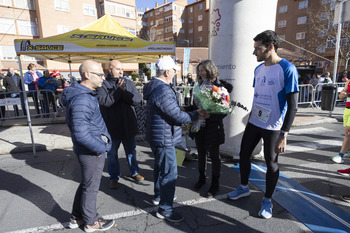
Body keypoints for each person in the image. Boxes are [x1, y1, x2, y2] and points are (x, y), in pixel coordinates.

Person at [227, 30, 299, 219]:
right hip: (255, 121)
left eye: (257, 49)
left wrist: (284, 134)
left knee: (271, 163)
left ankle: (267, 200)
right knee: (243, 154)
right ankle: (243, 187)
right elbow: (258, 96)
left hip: (274, 126)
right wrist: (251, 117)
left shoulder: (288, 69)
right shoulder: (258, 70)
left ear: (271, 47)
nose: (254, 53)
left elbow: (293, 106)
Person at [143, 56, 203, 223]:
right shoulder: (162, 90)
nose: (176, 72)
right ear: (168, 72)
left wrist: (186, 110)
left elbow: (171, 110)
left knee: (160, 168)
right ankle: (165, 208)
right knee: (169, 173)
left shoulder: (155, 87)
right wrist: (196, 113)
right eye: (175, 70)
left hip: (159, 136)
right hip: (164, 138)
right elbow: (177, 116)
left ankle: (159, 195)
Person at [61, 60, 115, 232]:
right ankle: (91, 222)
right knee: (91, 187)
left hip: (89, 149)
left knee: (86, 183)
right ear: (86, 75)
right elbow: (81, 134)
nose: (103, 78)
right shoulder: (83, 99)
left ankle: (76, 217)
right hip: (91, 151)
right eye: (99, 74)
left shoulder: (85, 94)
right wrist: (102, 148)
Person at [183, 60, 231, 198]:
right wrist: (185, 109)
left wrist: (210, 115)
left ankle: (215, 185)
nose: (201, 73)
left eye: (203, 70)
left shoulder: (219, 87)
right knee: (201, 154)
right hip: (199, 126)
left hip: (213, 127)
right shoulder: (198, 86)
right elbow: (195, 106)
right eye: (199, 70)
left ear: (210, 70)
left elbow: (225, 110)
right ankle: (202, 178)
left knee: (215, 157)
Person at [96, 60, 144, 189]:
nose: (121, 71)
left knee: (131, 152)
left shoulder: (128, 82)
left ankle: (134, 172)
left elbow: (137, 99)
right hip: (112, 127)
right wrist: (118, 92)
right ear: (110, 69)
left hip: (129, 125)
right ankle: (114, 177)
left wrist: (123, 93)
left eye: (122, 69)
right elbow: (104, 102)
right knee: (112, 155)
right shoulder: (103, 84)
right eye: (118, 69)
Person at [330, 79, 350, 164]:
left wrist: (347, 94)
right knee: (347, 134)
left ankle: (340, 155)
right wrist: (342, 94)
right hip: (347, 109)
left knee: (348, 132)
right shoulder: (348, 82)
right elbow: (340, 95)